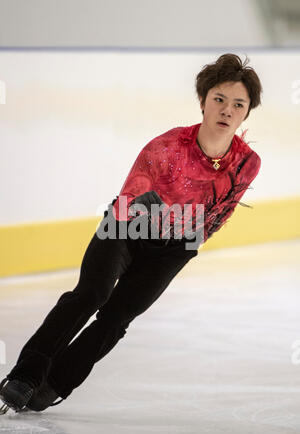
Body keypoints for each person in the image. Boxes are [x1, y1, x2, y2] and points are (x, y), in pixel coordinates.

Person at [0, 53, 262, 414]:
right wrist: (162, 224)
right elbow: (131, 198)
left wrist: (190, 239)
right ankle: (25, 377)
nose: (227, 110)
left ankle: (54, 384)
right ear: (203, 102)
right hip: (126, 227)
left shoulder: (248, 163)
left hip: (176, 247)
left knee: (117, 318)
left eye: (238, 104)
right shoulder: (166, 148)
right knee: (92, 294)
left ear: (247, 112)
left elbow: (223, 210)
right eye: (219, 99)